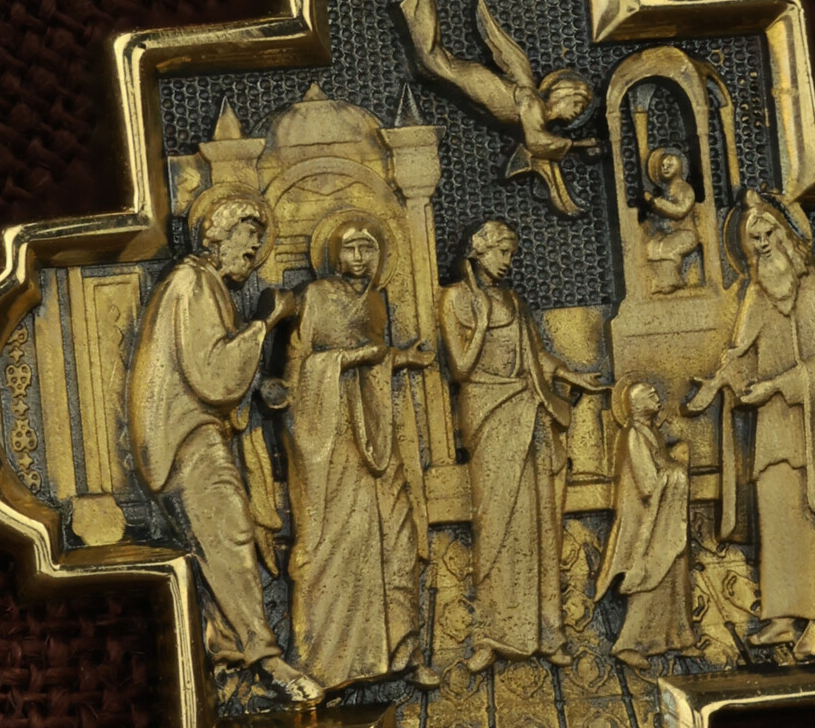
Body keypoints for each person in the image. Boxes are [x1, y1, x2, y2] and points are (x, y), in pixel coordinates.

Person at [128, 187, 322, 704]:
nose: (254, 249)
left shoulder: (203, 283)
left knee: (215, 544)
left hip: (196, 432)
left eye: (259, 240)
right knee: (230, 533)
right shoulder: (191, 282)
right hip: (185, 437)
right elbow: (213, 376)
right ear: (217, 234)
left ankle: (229, 659)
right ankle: (269, 659)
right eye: (248, 236)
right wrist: (266, 322)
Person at [686, 193, 815, 661]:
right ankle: (781, 616)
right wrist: (722, 381)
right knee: (776, 515)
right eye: (753, 238)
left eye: (768, 234)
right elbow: (743, 353)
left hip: (811, 428)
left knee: (808, 519)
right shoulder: (757, 293)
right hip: (772, 427)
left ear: (786, 235)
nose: (761, 245)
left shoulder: (813, 288)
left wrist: (780, 385)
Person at [438, 219, 605, 669]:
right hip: (488, 413)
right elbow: (460, 368)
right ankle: (493, 634)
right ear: (478, 251)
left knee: (540, 521)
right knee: (495, 523)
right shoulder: (454, 299)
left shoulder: (515, 301)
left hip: (527, 410)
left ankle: (549, 631)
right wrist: (481, 322)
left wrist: (572, 376)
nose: (508, 261)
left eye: (511, 253)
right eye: (502, 252)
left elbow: (536, 357)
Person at [284, 214, 437, 693]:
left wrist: (402, 357)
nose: (359, 258)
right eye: (350, 248)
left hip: (374, 430)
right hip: (330, 438)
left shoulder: (373, 301)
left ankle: (403, 652)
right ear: (333, 254)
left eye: (368, 249)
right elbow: (296, 368)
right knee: (338, 543)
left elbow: (377, 355)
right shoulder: (315, 296)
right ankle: (328, 665)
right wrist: (351, 359)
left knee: (395, 536)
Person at [374, 0, 597, 214]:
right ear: (562, 93)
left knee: (427, 65)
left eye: (581, 111)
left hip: (482, 86)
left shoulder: (533, 101)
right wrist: (577, 145)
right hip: (483, 84)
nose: (577, 114)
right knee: (431, 59)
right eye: (578, 104)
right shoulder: (535, 107)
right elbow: (536, 142)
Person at [595, 379, 698, 661]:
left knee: (674, 579)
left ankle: (678, 637)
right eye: (651, 396)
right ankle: (628, 645)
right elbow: (648, 483)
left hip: (665, 519)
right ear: (638, 405)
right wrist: (677, 470)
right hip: (647, 524)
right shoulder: (634, 436)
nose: (657, 398)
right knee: (646, 578)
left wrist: (673, 460)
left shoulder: (652, 433)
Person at [639, 146, 702, 292]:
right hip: (670, 233)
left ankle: (672, 282)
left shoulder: (684, 188)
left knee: (663, 248)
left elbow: (681, 211)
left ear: (679, 167)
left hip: (686, 235)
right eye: (662, 166)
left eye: (670, 165)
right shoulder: (665, 191)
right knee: (651, 248)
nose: (665, 168)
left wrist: (659, 204)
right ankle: (664, 282)